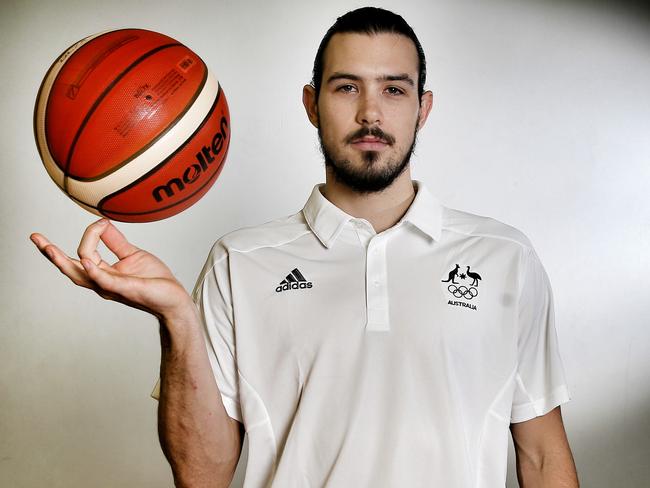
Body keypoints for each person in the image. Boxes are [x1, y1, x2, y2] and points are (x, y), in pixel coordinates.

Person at [30, 7, 579, 488]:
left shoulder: (504, 257)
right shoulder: (238, 262)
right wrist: (177, 317)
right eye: (346, 87)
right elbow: (201, 475)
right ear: (311, 104)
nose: (370, 112)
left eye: (394, 88)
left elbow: (543, 454)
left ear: (423, 107)